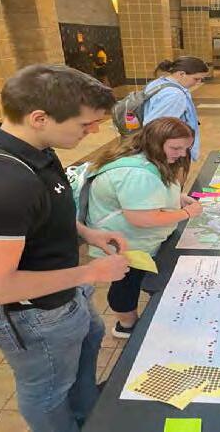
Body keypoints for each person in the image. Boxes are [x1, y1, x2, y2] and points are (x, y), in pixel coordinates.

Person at [0, 64, 130, 432]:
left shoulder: (36, 149)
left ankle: (88, 414)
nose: (94, 131)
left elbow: (42, 212)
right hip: (30, 314)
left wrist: (85, 233)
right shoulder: (1, 183)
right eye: (86, 124)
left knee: (90, 338)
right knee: (49, 390)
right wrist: (92, 272)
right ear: (39, 118)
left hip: (63, 291)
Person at [86, 117, 203, 338]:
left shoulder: (144, 158)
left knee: (135, 278)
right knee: (126, 283)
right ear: (156, 143)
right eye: (176, 148)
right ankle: (126, 326)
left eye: (186, 148)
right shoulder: (138, 174)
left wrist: (176, 198)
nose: (182, 154)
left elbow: (145, 195)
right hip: (128, 242)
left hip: (136, 239)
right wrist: (187, 213)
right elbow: (142, 218)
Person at [141, 56, 209, 161]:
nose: (199, 82)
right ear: (181, 74)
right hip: (169, 152)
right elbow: (157, 128)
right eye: (196, 79)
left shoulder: (158, 83)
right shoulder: (175, 95)